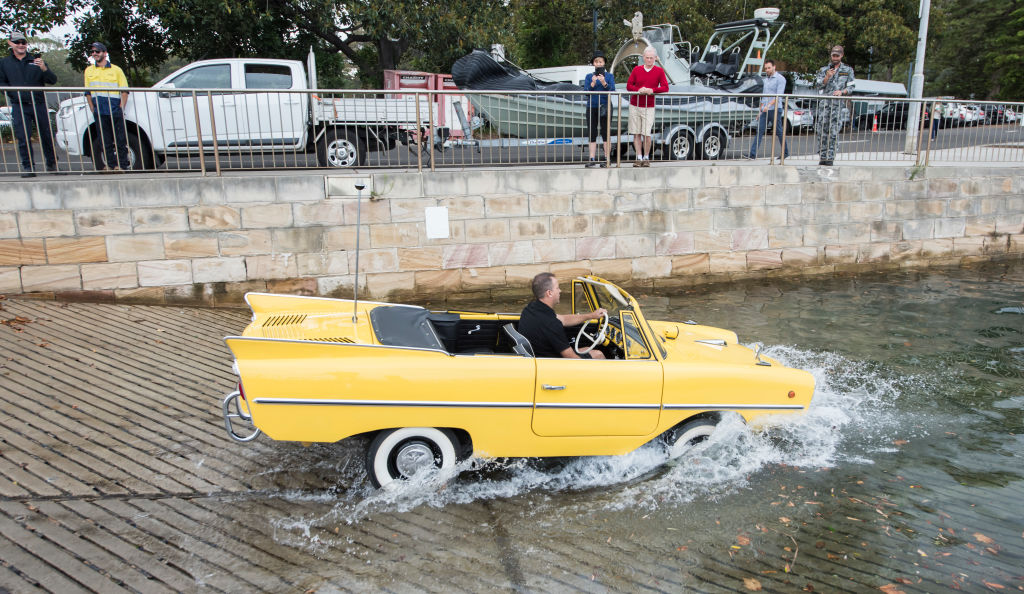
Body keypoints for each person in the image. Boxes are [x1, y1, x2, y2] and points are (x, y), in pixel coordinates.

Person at [0, 31, 58, 177]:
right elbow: (2, 82)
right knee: (23, 136)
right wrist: (13, 95)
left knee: (46, 134)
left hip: (38, 103)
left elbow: (52, 80)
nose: (21, 45)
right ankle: (28, 167)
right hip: (19, 105)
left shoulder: (36, 61)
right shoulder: (4, 63)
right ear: (11, 44)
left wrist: (44, 68)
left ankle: (52, 165)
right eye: (17, 42)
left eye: (23, 42)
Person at [518, 273, 607, 359]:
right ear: (549, 293)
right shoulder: (551, 324)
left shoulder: (531, 308)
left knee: (588, 349)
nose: (560, 291)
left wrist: (591, 315)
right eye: (557, 288)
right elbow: (572, 358)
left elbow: (563, 319)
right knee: (598, 355)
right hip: (553, 365)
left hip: (543, 356)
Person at [84, 42, 131, 172]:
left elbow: (124, 90)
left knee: (120, 139)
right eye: (93, 51)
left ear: (105, 53)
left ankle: (122, 165)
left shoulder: (116, 70)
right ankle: (110, 165)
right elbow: (87, 92)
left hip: (115, 108)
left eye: (97, 51)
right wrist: (92, 108)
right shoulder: (89, 70)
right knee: (105, 140)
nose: (94, 54)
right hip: (100, 109)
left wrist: (121, 107)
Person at [626, 47, 668, 167]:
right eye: (647, 58)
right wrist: (638, 90)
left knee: (646, 133)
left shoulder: (659, 71)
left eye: (651, 58)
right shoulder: (637, 69)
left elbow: (665, 87)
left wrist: (652, 90)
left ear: (655, 58)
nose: (649, 60)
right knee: (636, 133)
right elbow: (629, 85)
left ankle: (646, 157)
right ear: (643, 58)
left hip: (649, 106)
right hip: (635, 104)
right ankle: (638, 157)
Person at [813, 45, 854, 166]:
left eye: (837, 55)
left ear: (841, 56)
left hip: (837, 106)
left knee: (834, 132)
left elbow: (851, 87)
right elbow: (818, 85)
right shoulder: (824, 69)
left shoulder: (848, 70)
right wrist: (827, 77)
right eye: (833, 55)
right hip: (824, 106)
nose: (835, 58)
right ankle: (822, 156)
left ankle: (830, 157)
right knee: (821, 131)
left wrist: (842, 92)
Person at [746, 59, 788, 161]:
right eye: (766, 68)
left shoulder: (780, 79)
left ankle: (785, 152)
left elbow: (779, 95)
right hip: (765, 110)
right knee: (759, 131)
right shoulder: (766, 80)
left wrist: (768, 106)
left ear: (774, 67)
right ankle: (752, 154)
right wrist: (760, 110)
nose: (767, 70)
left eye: (769, 68)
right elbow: (764, 96)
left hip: (775, 109)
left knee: (778, 131)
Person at [583, 51, 615, 168]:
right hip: (592, 106)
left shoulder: (609, 76)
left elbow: (612, 90)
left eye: (600, 61)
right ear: (593, 64)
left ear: (604, 63)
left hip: (605, 106)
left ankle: (607, 158)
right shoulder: (588, 76)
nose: (598, 64)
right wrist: (592, 84)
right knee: (592, 132)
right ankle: (592, 158)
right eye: (596, 62)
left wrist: (604, 83)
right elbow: (586, 92)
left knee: (606, 132)